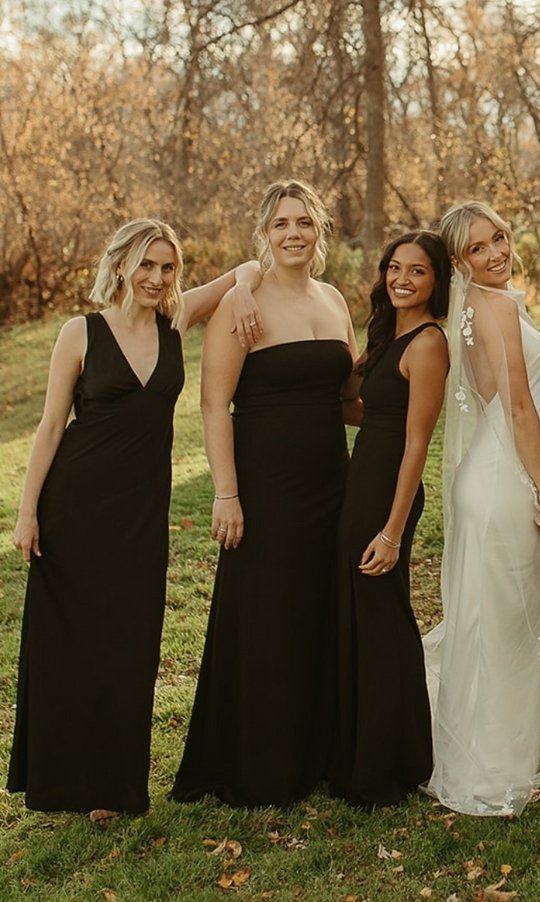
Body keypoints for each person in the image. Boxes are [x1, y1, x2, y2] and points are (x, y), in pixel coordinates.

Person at [8, 220, 262, 820]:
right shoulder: (80, 333)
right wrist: (26, 513)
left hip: (141, 515)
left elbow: (246, 269)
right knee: (70, 645)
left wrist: (246, 288)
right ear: (120, 264)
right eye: (146, 265)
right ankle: (65, 783)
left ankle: (114, 787)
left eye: (168, 267)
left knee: (130, 645)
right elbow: (48, 427)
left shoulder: (176, 324)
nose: (157, 278)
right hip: (73, 507)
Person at [171, 180, 358, 807]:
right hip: (264, 487)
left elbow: (348, 396)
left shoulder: (334, 300)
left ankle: (321, 751)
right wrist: (226, 493)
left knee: (319, 609)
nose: (293, 234)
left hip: (331, 481)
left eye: (304, 222)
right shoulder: (239, 304)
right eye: (281, 224)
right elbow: (212, 401)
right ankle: (262, 761)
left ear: (320, 231)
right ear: (264, 234)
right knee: (268, 615)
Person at [423, 201, 540, 816]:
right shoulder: (490, 307)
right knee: (511, 630)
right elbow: (519, 407)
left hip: (489, 478)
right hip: (507, 484)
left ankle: (486, 759)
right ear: (459, 261)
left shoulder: (474, 306)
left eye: (499, 238)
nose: (496, 253)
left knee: (493, 624)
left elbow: (516, 402)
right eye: (478, 249)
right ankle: (492, 776)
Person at [329, 231, 451, 808]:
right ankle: (363, 753)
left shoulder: (428, 343)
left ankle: (393, 765)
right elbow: (359, 405)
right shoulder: (388, 333)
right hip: (360, 485)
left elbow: (416, 443)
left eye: (418, 271)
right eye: (394, 268)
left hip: (388, 496)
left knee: (384, 624)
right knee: (362, 618)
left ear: (437, 281)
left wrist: (393, 531)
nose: (402, 278)